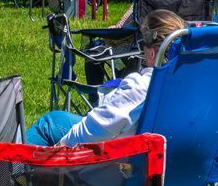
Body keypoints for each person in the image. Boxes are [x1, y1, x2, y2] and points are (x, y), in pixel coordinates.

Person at [25, 10, 187, 147]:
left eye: (143, 46)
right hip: (177, 169)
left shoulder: (141, 87)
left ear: (152, 52)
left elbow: (89, 133)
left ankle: (9, 179)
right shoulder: (196, 88)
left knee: (48, 124)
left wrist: (58, 149)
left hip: (120, 168)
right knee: (59, 118)